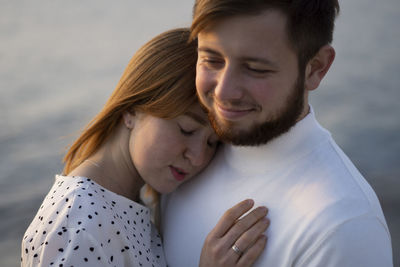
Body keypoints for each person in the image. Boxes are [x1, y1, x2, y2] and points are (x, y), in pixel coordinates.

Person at [161, 1, 393, 266]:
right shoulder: (182, 157)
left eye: (256, 69)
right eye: (211, 60)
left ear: (316, 68)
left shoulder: (341, 228)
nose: (224, 93)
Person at [21, 28, 270, 267]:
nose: (197, 157)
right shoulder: (79, 221)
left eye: (211, 143)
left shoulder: (124, 202)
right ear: (131, 110)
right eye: (186, 129)